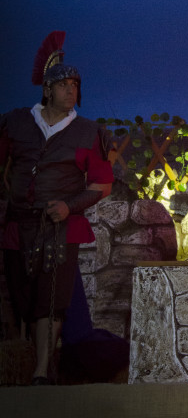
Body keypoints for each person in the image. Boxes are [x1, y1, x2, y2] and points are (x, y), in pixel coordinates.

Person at [0, 32, 113, 384]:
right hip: (18, 227)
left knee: (52, 298)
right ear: (47, 89)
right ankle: (35, 363)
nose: (71, 92)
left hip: (59, 228)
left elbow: (102, 185)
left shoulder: (88, 132)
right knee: (24, 297)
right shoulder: (15, 123)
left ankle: (40, 371)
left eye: (75, 86)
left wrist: (69, 205)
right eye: (64, 85)